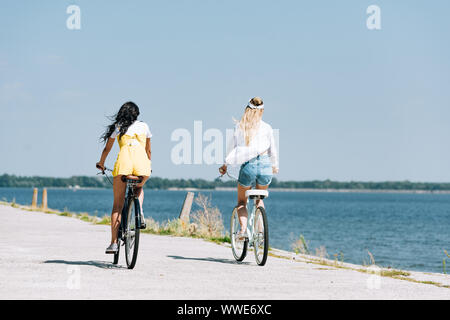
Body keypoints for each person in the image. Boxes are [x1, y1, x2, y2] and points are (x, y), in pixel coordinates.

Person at [96, 101, 152, 254]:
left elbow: (107, 148)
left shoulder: (119, 127)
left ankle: (113, 243)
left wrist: (101, 163)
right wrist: (148, 167)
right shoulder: (145, 126)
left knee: (117, 206)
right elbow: (148, 151)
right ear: (137, 114)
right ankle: (139, 212)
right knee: (139, 187)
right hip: (142, 165)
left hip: (123, 165)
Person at [219, 97, 278, 239]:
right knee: (259, 200)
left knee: (241, 202)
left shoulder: (240, 126)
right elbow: (273, 150)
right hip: (265, 166)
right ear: (262, 111)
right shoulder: (267, 127)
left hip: (248, 166)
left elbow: (230, 149)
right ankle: (261, 233)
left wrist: (225, 165)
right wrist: (274, 166)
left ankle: (243, 230)